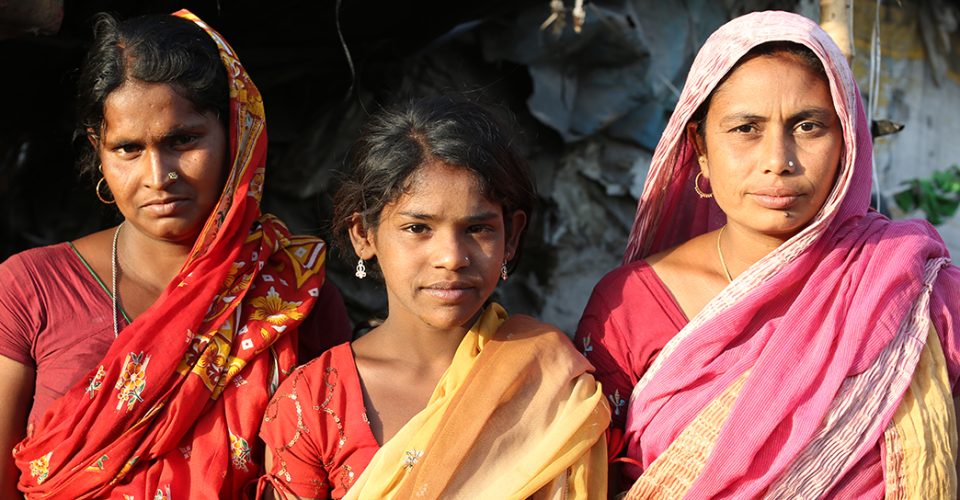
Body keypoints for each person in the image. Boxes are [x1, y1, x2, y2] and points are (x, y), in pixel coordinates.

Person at [575, 10, 960, 498]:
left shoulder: (919, 293)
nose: (778, 161)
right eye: (745, 128)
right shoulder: (629, 307)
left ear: (847, 142)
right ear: (700, 148)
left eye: (808, 126)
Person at [0, 10, 351, 498]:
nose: (158, 175)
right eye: (127, 149)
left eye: (183, 140)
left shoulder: (292, 295)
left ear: (237, 136)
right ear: (99, 152)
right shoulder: (29, 287)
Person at [258, 95, 610, 499]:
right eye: (417, 228)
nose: (452, 258)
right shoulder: (311, 402)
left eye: (477, 229)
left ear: (511, 236)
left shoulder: (550, 378)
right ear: (363, 235)